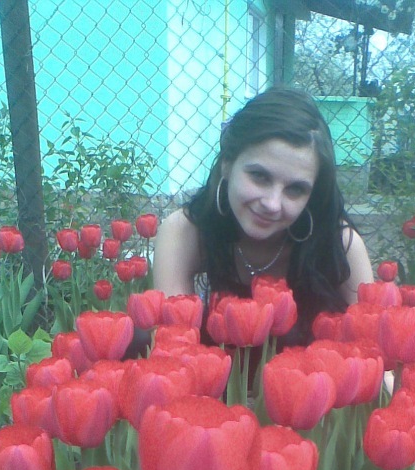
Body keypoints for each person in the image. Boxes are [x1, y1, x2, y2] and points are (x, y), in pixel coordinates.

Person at [153, 86, 373, 345]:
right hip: (206, 372)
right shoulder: (185, 231)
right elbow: (174, 345)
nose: (272, 204)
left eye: (295, 189)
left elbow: (370, 351)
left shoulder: (340, 245)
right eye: (259, 176)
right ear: (227, 164)